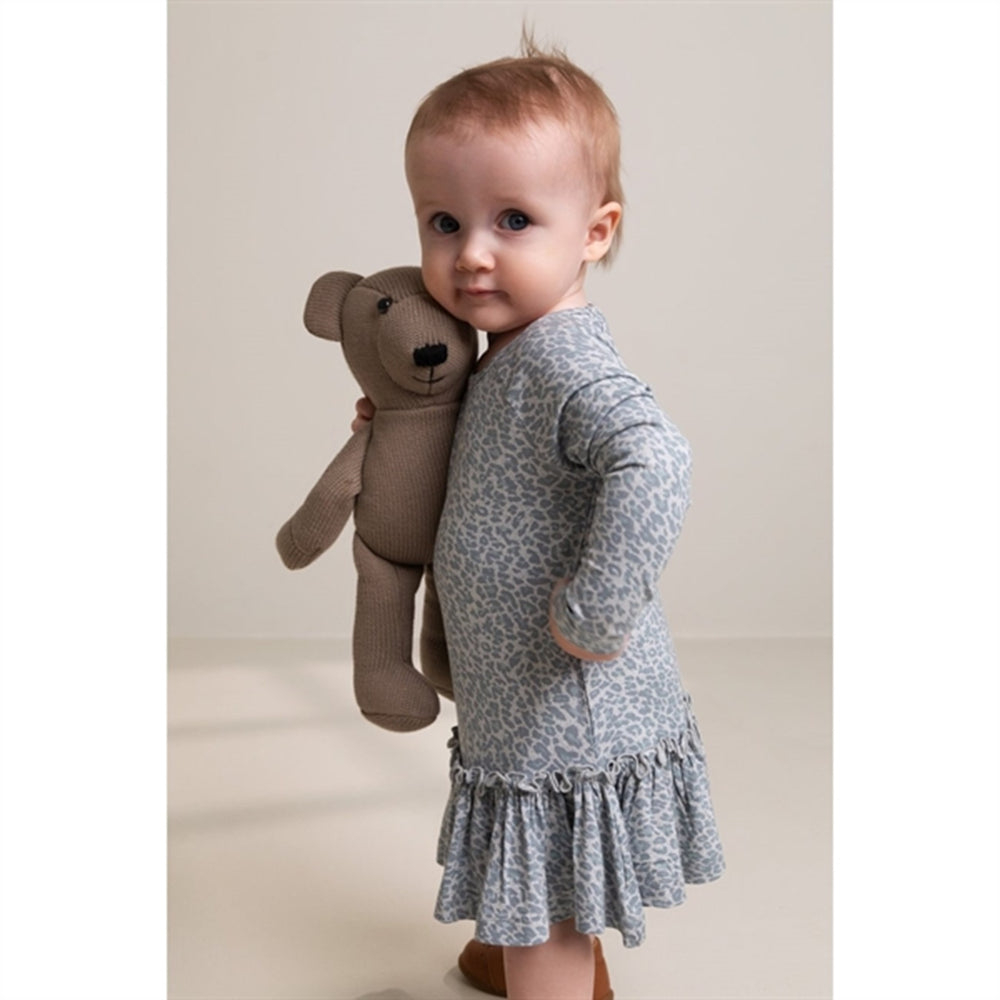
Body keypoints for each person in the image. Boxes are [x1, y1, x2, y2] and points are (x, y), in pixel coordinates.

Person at [361, 34, 725, 1000]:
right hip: (516, 688)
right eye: (443, 222)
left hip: (567, 692)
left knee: (551, 881)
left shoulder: (565, 360)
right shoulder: (505, 354)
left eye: (514, 220)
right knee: (539, 861)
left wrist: (598, 610)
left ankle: (549, 967)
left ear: (595, 232)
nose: (470, 254)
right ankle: (511, 945)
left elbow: (658, 458)